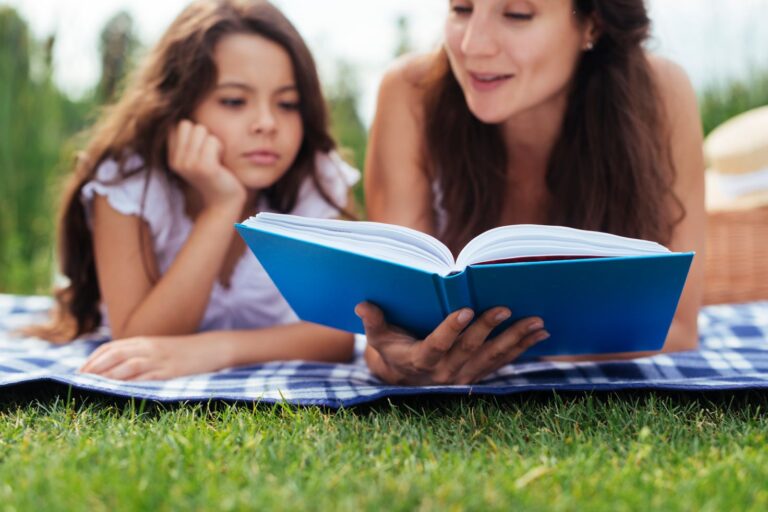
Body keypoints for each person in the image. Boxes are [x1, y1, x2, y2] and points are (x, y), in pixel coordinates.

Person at [357, 0, 705, 385]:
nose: (473, 45)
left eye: (517, 14)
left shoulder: (660, 94)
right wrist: (400, 360)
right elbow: (386, 326)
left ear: (592, 25)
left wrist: (504, 351)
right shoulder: (410, 92)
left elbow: (677, 325)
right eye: (461, 9)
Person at [33, 0, 359, 380]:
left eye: (288, 104)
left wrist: (214, 350)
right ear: (179, 107)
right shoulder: (127, 184)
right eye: (234, 101)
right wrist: (222, 207)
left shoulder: (317, 181)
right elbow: (138, 340)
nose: (268, 123)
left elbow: (339, 337)